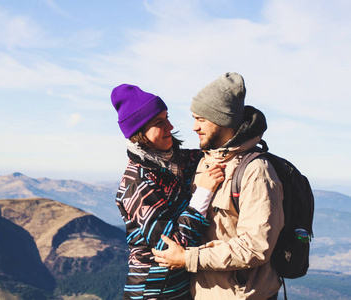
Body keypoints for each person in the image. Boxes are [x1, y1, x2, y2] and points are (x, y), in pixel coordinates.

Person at [152, 73, 284, 300]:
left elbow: (255, 246)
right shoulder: (207, 160)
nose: (194, 127)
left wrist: (188, 259)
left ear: (222, 120)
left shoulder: (256, 171)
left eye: (201, 119)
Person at [111, 84, 225, 299]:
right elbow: (171, 246)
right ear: (138, 132)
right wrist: (203, 193)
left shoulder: (177, 161)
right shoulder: (138, 184)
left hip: (179, 287)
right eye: (159, 123)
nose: (170, 126)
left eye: (167, 118)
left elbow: (215, 153)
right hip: (153, 291)